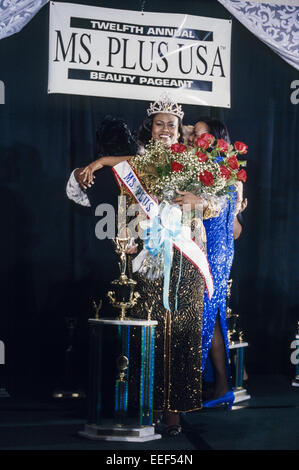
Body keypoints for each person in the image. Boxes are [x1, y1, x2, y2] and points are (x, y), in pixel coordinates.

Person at [79, 96, 215, 436]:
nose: (165, 129)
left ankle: (175, 409)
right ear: (149, 129)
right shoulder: (137, 166)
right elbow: (126, 207)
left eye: (171, 124)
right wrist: (125, 235)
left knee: (183, 333)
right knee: (149, 329)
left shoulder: (194, 161)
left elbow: (215, 203)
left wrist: (200, 200)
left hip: (186, 256)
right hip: (150, 256)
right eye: (159, 123)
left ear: (179, 131)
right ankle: (148, 404)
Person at [188, 118, 247, 408]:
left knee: (205, 314)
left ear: (214, 138)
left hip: (211, 249)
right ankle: (220, 385)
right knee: (211, 316)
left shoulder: (218, 169)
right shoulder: (230, 170)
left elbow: (225, 220)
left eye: (200, 134)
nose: (194, 138)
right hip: (218, 247)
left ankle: (193, 386)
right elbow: (237, 228)